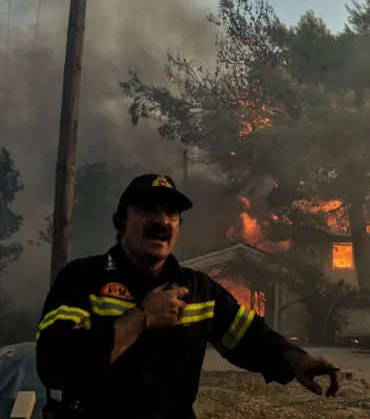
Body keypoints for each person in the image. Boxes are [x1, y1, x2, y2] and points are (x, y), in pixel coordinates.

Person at [36, 174, 340, 419]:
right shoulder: (82, 278)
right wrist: (142, 318)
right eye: (147, 210)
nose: (162, 221)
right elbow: (54, 365)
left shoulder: (199, 290)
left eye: (172, 213)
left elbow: (250, 336)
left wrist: (298, 360)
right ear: (120, 221)